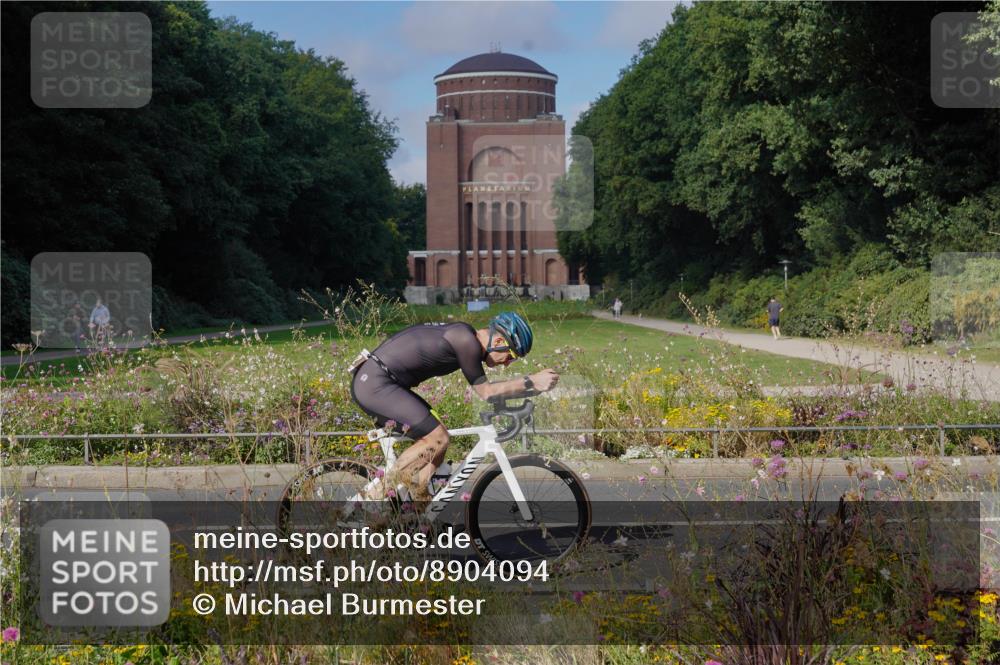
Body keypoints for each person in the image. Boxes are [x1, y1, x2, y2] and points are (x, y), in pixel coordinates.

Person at [349, 312, 559, 503]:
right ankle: (371, 499)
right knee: (437, 438)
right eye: (511, 356)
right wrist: (531, 381)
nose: (507, 364)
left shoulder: (465, 336)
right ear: (498, 341)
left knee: (439, 445)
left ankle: (417, 511)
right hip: (375, 384)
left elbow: (491, 392)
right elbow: (486, 392)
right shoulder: (467, 341)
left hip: (382, 382)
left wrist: (531, 391)